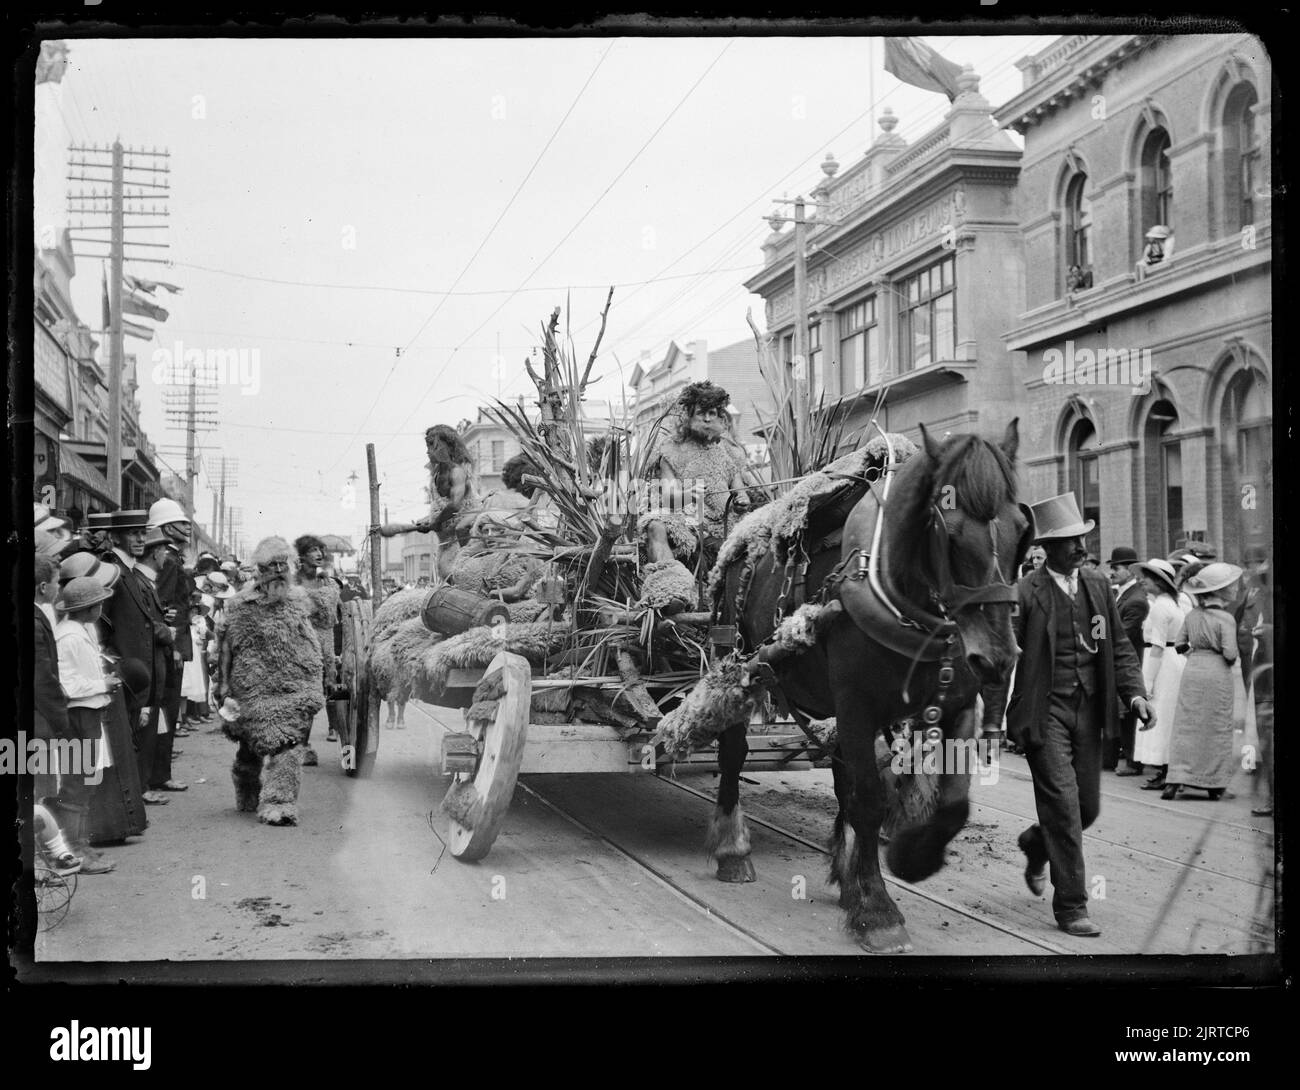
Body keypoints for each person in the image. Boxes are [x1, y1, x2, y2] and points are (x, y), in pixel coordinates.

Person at [982, 493, 1152, 937]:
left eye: (1081, 539)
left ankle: (1036, 845)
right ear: (1047, 548)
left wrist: (1135, 695)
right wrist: (990, 724)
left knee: (1086, 808)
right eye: (1070, 541)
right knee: (1063, 806)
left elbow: (1116, 645)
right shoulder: (1025, 591)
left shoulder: (1096, 585)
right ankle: (1072, 906)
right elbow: (1001, 659)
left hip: (1090, 711)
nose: (1080, 547)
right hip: (1044, 713)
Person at [214, 536, 324, 826]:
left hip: (291, 686)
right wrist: (223, 683)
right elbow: (227, 644)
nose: (278, 572)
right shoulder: (240, 605)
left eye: (282, 565)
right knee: (251, 745)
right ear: (259, 571)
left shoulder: (300, 602)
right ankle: (246, 782)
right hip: (251, 687)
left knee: (288, 743)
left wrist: (314, 681)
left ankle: (279, 803)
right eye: (271, 567)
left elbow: (310, 643)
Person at [639, 381, 753, 613]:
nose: (708, 418)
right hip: (687, 521)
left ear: (721, 416)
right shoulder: (671, 450)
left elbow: (740, 493)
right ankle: (671, 591)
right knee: (656, 527)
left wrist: (742, 502)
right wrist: (687, 495)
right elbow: (669, 496)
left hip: (724, 525)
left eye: (713, 413)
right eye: (702, 412)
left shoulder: (728, 451)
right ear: (688, 415)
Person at [99, 511, 174, 805]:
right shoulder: (112, 569)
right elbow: (101, 625)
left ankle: (137, 790)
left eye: (143, 533)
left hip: (140, 668)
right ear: (116, 537)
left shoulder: (128, 570)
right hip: (127, 668)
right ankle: (130, 796)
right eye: (133, 533)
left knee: (137, 732)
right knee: (127, 733)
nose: (141, 539)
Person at [54, 576, 122, 874]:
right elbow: (67, 684)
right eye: (98, 603)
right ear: (89, 607)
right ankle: (74, 848)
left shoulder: (83, 629)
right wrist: (102, 683)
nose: (101, 607)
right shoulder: (68, 637)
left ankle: (81, 841)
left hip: (91, 712)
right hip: (78, 715)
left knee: (89, 780)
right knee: (77, 784)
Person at [1161, 563, 1244, 801]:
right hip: (1216, 673)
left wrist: (1195, 654)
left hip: (1194, 669)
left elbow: (1179, 644)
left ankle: (1176, 778)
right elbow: (1230, 653)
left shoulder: (1192, 614)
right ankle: (1214, 782)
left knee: (1187, 724)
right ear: (1220, 592)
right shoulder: (1226, 618)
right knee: (1215, 725)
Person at [137, 527, 188, 795]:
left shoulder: (167, 565)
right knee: (160, 712)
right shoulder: (165, 567)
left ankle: (159, 774)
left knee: (164, 714)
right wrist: (175, 645)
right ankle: (154, 776)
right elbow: (167, 609)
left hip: (168, 646)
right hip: (164, 648)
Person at [1132, 559, 1186, 790]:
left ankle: (1165, 770)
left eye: (1147, 577)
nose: (1142, 581)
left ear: (1159, 582)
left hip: (1162, 663)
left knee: (1161, 713)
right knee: (1168, 714)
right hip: (1173, 661)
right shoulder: (1171, 603)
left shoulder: (1160, 607)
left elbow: (1157, 646)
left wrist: (1147, 681)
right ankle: (1167, 769)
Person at [294, 534, 341, 756]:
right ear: (302, 556)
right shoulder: (292, 583)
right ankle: (300, 743)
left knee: (323, 690)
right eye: (313, 550)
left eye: (320, 550)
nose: (319, 554)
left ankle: (327, 730)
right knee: (302, 696)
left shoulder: (328, 583)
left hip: (325, 643)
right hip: (299, 643)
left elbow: (332, 613)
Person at [1105, 546, 1150, 775]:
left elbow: (1122, 634)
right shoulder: (1119, 594)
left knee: (1130, 710)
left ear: (1131, 570)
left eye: (1116, 568)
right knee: (1121, 711)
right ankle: (1120, 755)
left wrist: (1099, 640)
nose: (1112, 572)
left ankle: (1133, 760)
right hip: (1117, 659)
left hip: (1129, 660)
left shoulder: (1136, 600)